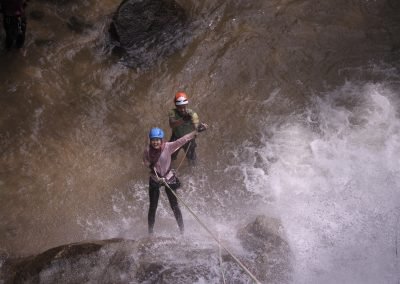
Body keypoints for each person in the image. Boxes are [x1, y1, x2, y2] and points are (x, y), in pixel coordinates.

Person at [143, 125, 207, 235]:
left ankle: (182, 231)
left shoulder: (168, 146)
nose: (155, 142)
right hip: (155, 179)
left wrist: (196, 132)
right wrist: (149, 166)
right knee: (153, 207)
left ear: (161, 140)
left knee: (174, 206)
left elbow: (182, 140)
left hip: (168, 178)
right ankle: (150, 233)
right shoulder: (148, 150)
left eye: (157, 140)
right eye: (153, 140)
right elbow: (145, 162)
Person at [169, 91, 201, 166]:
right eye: (180, 107)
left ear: (186, 105)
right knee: (170, 156)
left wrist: (198, 129)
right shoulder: (172, 112)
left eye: (184, 107)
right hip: (176, 137)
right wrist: (183, 120)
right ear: (176, 106)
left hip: (189, 139)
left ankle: (193, 171)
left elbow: (196, 127)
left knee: (192, 159)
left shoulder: (192, 114)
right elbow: (171, 124)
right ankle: (167, 171)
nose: (182, 109)